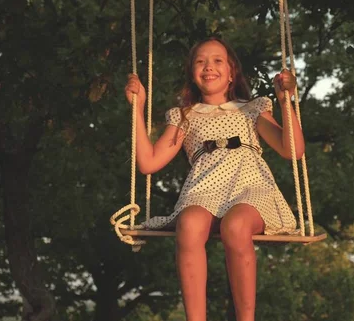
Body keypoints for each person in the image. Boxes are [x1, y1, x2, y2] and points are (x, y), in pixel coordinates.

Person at [124, 37, 305, 321]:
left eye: (217, 60)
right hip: (204, 190)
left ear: (232, 72)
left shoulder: (252, 108)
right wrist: (137, 107)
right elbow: (148, 163)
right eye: (200, 61)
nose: (208, 66)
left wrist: (286, 101)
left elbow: (292, 150)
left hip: (250, 187)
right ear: (192, 74)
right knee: (189, 223)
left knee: (236, 225)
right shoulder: (184, 115)